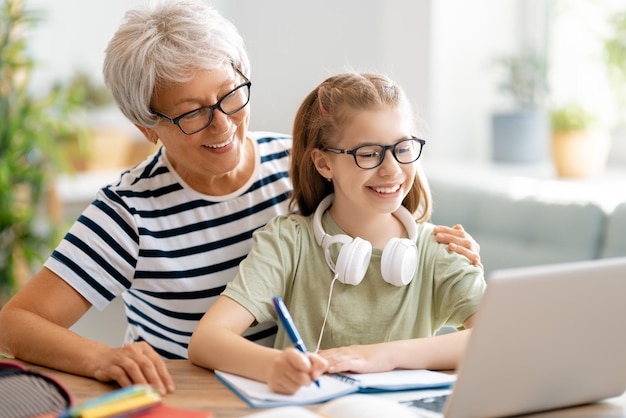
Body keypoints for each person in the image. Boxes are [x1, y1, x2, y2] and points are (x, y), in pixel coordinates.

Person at [0, 0, 480, 395]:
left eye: (232, 95)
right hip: (191, 392)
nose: (224, 125)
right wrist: (104, 357)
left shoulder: (299, 161)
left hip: (299, 393)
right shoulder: (129, 211)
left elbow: (383, 210)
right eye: (192, 113)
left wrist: (447, 251)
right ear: (148, 127)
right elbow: (17, 323)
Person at [188, 72, 487, 395]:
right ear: (324, 164)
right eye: (369, 153)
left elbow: (498, 339)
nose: (391, 169)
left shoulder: (441, 249)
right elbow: (207, 340)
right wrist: (272, 366)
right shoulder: (289, 242)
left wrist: (384, 356)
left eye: (403, 148)